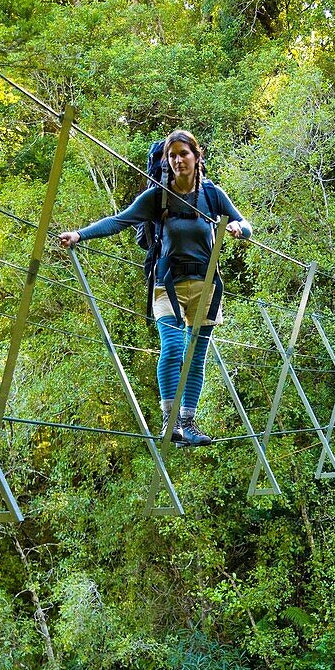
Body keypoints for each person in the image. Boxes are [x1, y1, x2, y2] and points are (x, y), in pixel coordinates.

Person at [60, 129, 252, 446]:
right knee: (174, 348)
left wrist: (236, 228)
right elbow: (118, 221)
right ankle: (170, 422)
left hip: (206, 287)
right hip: (168, 285)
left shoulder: (213, 195)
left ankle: (188, 425)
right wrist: (80, 235)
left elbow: (246, 225)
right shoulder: (157, 197)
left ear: (196, 156)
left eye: (183, 154)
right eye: (172, 155)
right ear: (166, 161)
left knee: (196, 357)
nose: (178, 160)